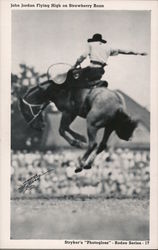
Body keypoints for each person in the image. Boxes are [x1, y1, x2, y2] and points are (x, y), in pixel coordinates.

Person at [72, 33, 147, 87]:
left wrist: (75, 64)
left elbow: (83, 56)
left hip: (91, 69)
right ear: (101, 40)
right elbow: (123, 51)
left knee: (74, 78)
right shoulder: (108, 48)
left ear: (93, 40)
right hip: (100, 71)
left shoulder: (91, 44)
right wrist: (138, 53)